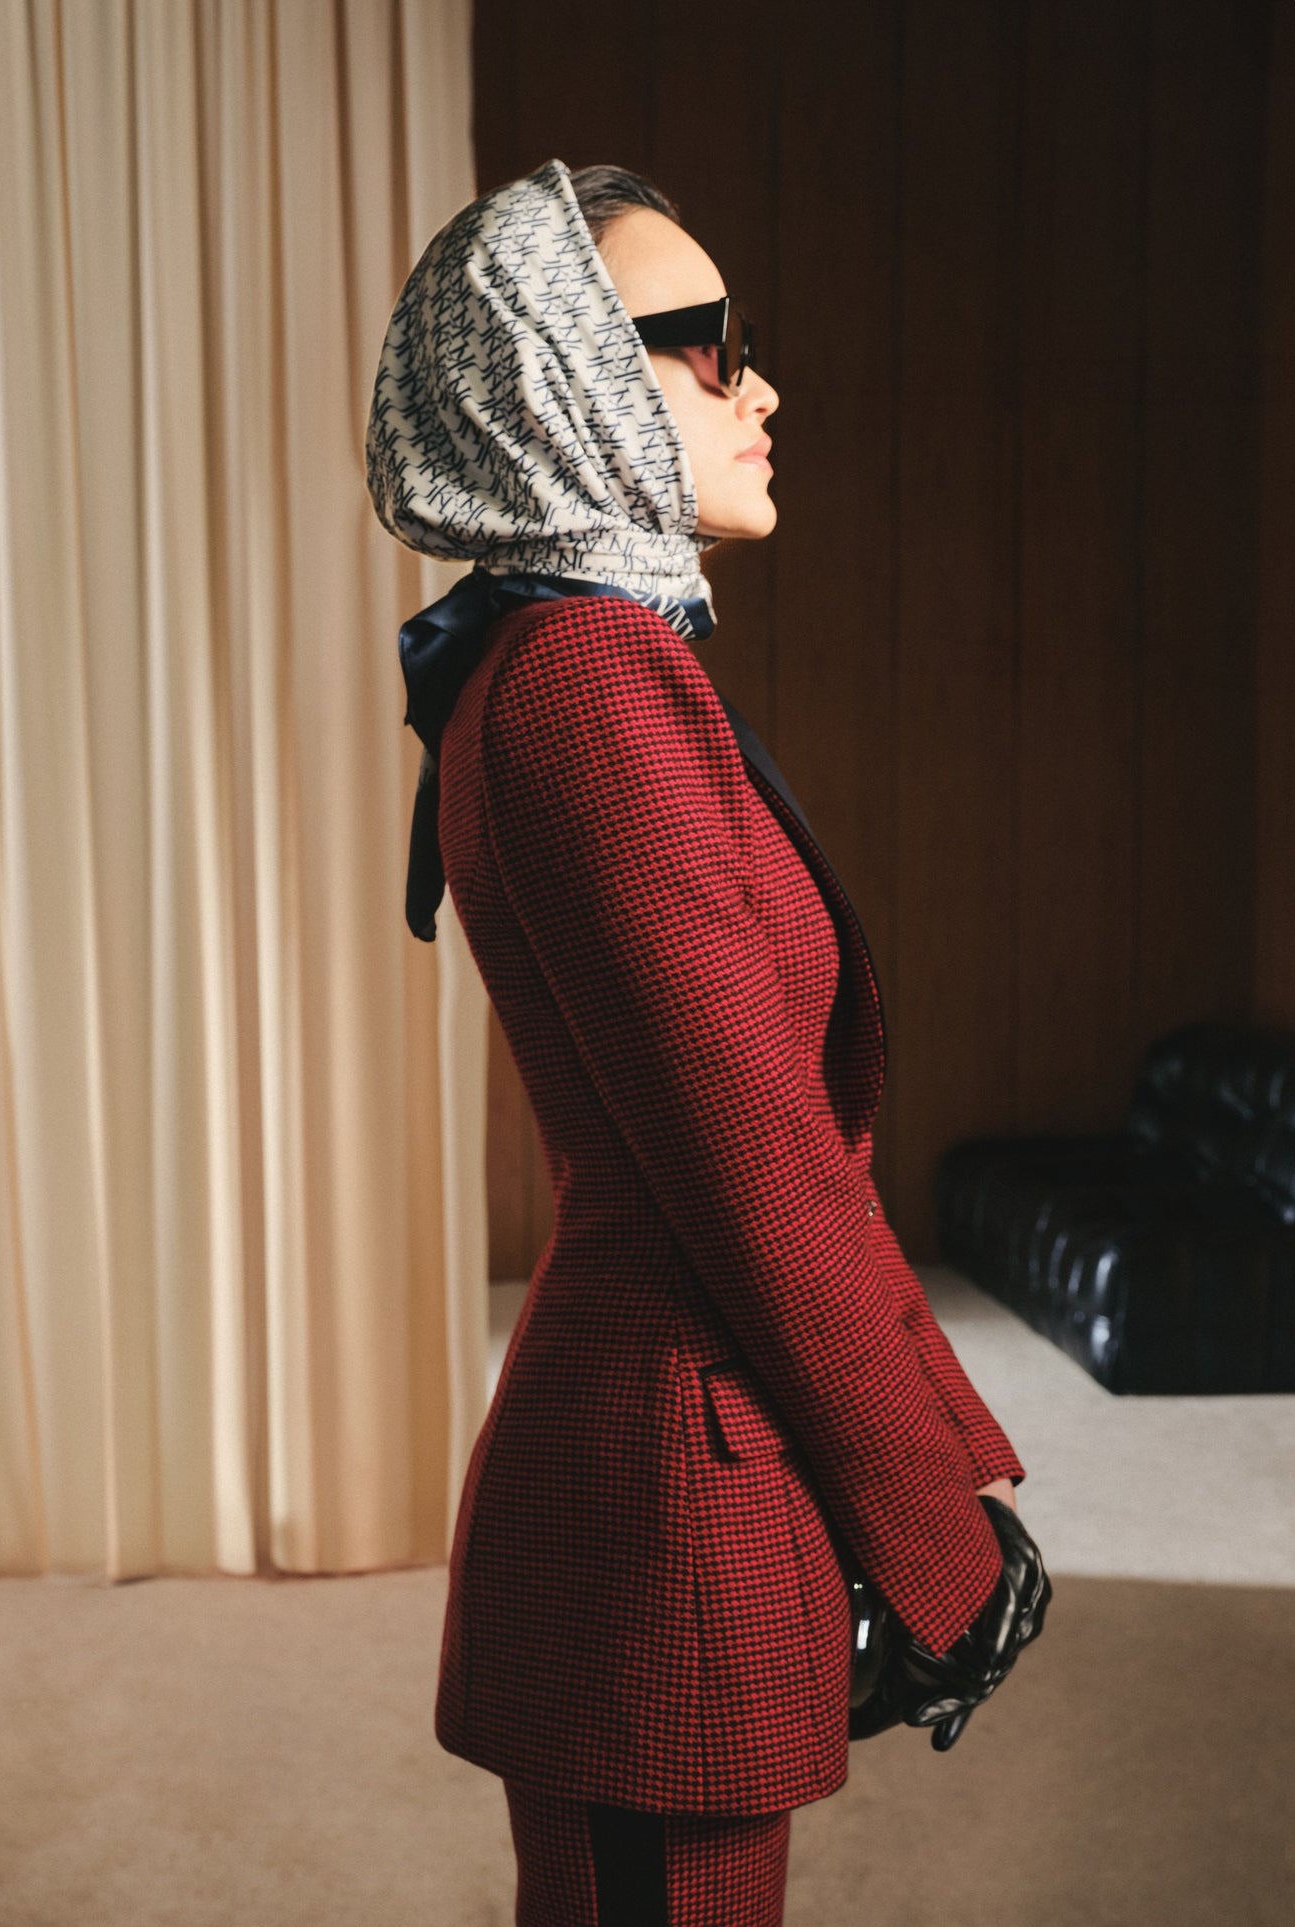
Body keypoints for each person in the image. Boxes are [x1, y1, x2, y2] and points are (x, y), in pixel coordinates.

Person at [366, 157, 1030, 1927]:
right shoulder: (587, 677)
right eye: (706, 344)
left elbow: (773, 1153)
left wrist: (938, 1471)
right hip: (667, 1500)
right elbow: (755, 1175)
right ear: (561, 374)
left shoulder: (575, 657)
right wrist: (940, 1533)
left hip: (680, 1468)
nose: (763, 385)